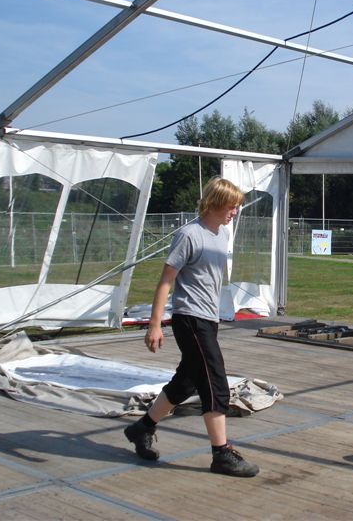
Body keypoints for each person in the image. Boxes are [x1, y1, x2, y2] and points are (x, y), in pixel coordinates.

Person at [124, 176, 259, 478]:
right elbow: (165, 282)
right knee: (215, 382)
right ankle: (221, 454)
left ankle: (141, 428)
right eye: (231, 206)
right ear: (214, 203)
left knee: (186, 382)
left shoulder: (221, 234)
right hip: (190, 319)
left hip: (208, 320)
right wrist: (154, 325)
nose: (234, 212)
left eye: (237, 207)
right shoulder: (188, 235)